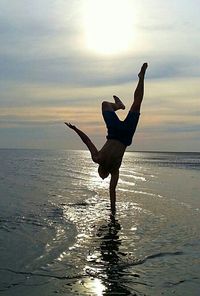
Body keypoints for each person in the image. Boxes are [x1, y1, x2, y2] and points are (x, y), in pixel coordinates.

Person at [65, 63, 148, 214]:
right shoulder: (113, 170)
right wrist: (113, 212)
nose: (103, 178)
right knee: (136, 104)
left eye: (101, 177)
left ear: (100, 171)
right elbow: (112, 192)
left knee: (107, 104)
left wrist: (76, 129)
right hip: (124, 134)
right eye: (103, 177)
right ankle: (141, 78)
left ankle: (119, 105)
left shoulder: (98, 159)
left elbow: (87, 141)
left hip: (116, 132)